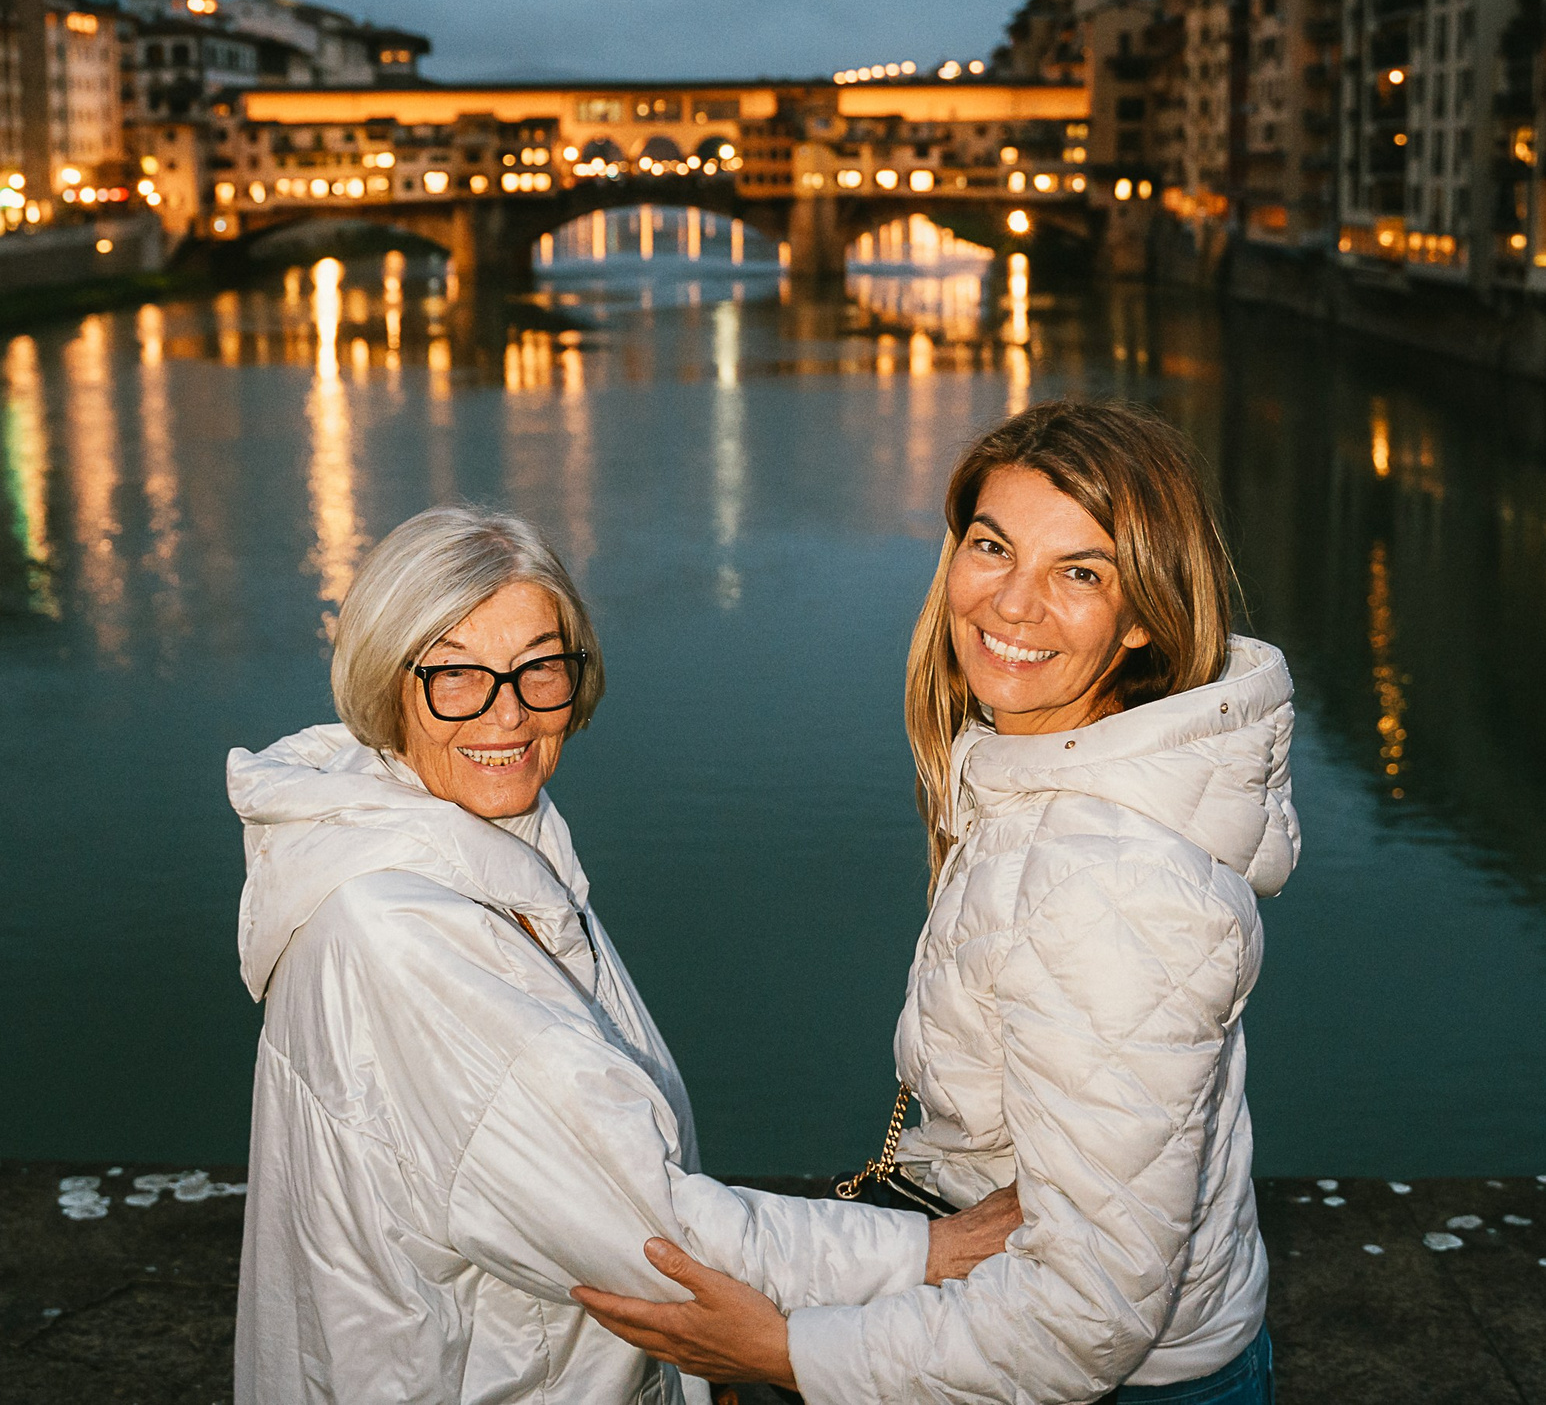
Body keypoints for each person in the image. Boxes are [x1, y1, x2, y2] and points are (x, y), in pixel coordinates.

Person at [576, 400, 1299, 1405]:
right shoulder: (1044, 773)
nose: (1011, 603)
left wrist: (785, 1351)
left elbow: (1084, 1314)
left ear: (1143, 617)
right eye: (990, 547)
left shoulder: (1105, 876)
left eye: (1078, 572)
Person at [228, 505, 1014, 1405]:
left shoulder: (480, 845)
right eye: (457, 675)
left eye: (539, 668)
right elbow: (650, 1229)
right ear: (388, 678)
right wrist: (930, 1252)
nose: (509, 711)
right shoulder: (401, 936)